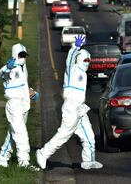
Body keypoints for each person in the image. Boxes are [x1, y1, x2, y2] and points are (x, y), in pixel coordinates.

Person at [36, 35, 103, 170]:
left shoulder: (83, 73)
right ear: (79, 59)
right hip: (71, 108)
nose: (87, 62)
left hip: (80, 108)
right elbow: (70, 60)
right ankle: (43, 153)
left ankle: (89, 161)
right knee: (64, 134)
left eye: (89, 60)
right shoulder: (73, 69)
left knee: (88, 135)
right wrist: (75, 47)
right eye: (84, 59)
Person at [0, 43, 39, 170]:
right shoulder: (9, 68)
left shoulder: (24, 68)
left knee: (13, 133)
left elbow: (23, 84)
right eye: (21, 55)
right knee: (21, 133)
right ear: (15, 55)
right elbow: (2, 76)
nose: (23, 57)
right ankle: (24, 162)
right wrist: (7, 68)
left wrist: (31, 92)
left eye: (25, 55)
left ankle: (2, 158)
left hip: (24, 104)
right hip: (14, 104)